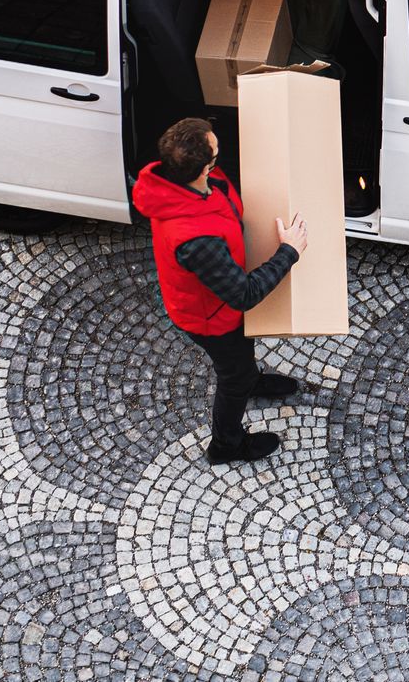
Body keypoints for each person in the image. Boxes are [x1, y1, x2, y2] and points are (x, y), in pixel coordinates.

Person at [132, 116, 311, 465]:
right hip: (210, 319)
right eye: (216, 152)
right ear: (202, 168)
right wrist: (289, 252)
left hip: (216, 307)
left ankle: (253, 380)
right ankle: (226, 445)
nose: (220, 153)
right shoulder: (195, 239)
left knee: (242, 354)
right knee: (233, 376)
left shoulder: (182, 182)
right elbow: (243, 294)